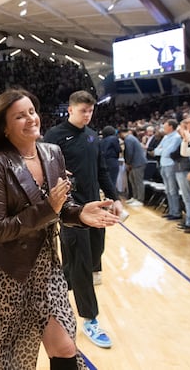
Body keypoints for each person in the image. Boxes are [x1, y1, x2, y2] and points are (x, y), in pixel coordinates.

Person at [0, 89, 119, 370]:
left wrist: (79, 214)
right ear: (5, 128)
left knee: (65, 347)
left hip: (47, 268)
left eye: (32, 111)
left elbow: (61, 208)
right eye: (19, 116)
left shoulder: (52, 153)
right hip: (9, 271)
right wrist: (49, 210)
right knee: (4, 361)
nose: (30, 119)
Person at [43, 90, 123, 349]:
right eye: (82, 111)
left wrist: (115, 197)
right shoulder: (55, 136)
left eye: (90, 111)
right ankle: (90, 319)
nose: (87, 115)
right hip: (71, 211)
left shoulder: (92, 136)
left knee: (93, 256)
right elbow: (44, 172)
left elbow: (102, 170)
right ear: (70, 109)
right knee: (81, 263)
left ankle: (51, 293)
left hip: (96, 207)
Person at [118, 127, 146, 206]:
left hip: (138, 163)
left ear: (121, 134)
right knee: (132, 180)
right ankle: (135, 197)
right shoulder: (130, 138)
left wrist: (128, 163)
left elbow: (129, 153)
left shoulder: (128, 139)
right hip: (135, 163)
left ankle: (140, 199)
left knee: (138, 181)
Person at [99, 126, 121, 196]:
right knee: (112, 181)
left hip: (104, 162)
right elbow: (118, 150)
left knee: (106, 182)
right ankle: (112, 199)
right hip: (112, 161)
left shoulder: (101, 140)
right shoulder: (114, 138)